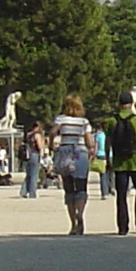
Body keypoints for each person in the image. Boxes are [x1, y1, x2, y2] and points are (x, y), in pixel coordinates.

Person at [106, 92, 136, 235]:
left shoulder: (112, 121)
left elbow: (108, 142)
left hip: (119, 161)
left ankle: (122, 226)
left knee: (121, 195)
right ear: (132, 103)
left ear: (119, 103)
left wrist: (108, 160)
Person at [50, 95, 94, 234]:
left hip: (65, 152)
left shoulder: (61, 119)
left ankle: (73, 223)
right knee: (81, 187)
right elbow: (89, 142)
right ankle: (80, 213)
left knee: (69, 188)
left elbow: (52, 132)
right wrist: (91, 149)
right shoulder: (84, 122)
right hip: (80, 153)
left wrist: (52, 145)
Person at [21, 119, 45, 198]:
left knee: (28, 174)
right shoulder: (37, 135)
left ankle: (24, 191)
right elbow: (39, 146)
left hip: (27, 155)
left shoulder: (28, 135)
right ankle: (32, 192)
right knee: (34, 174)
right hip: (35, 154)